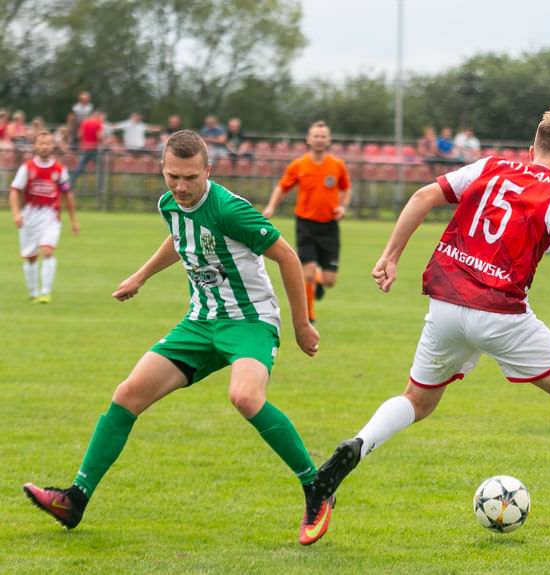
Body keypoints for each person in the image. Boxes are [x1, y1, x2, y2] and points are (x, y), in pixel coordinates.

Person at [310, 107, 550, 539]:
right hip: (499, 312)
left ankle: (358, 444)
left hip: (446, 305)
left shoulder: (491, 166)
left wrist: (390, 255)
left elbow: (421, 197)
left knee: (418, 399)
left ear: (531, 150)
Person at [22, 130, 335, 546]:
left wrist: (301, 324)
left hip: (249, 320)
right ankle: (74, 499)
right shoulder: (169, 204)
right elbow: (180, 238)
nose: (182, 187)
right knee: (127, 394)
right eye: (173, 177)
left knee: (244, 397)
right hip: (200, 321)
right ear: (162, 170)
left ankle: (317, 487)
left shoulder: (229, 209)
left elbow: (287, 256)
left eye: (190, 178)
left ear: (208, 169)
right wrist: (141, 275)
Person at [262, 121, 351, 323]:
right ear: (308, 139)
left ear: (328, 140)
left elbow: (346, 188)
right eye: (316, 136)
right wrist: (271, 207)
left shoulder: (337, 165)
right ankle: (309, 316)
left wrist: (343, 207)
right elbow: (282, 187)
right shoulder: (298, 165)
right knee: (307, 274)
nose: (319, 140)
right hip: (306, 225)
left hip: (329, 226)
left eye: (323, 136)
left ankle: (319, 282)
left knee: (329, 280)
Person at [8, 130, 80, 302]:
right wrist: (16, 214)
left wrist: (73, 220)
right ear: (35, 146)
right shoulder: (27, 168)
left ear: (52, 146)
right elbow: (14, 191)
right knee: (30, 257)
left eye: (47, 143)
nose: (44, 147)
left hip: (50, 215)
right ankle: (33, 293)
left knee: (47, 251)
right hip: (30, 215)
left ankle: (46, 292)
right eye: (41, 143)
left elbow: (67, 194)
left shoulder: (59, 169)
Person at [69, 110, 105, 187]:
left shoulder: (84, 122)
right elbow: (99, 136)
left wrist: (84, 140)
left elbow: (79, 135)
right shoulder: (98, 124)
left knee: (79, 167)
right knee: (100, 168)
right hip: (94, 149)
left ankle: (71, 183)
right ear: (97, 116)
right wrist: (101, 141)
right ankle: (101, 187)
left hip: (85, 148)